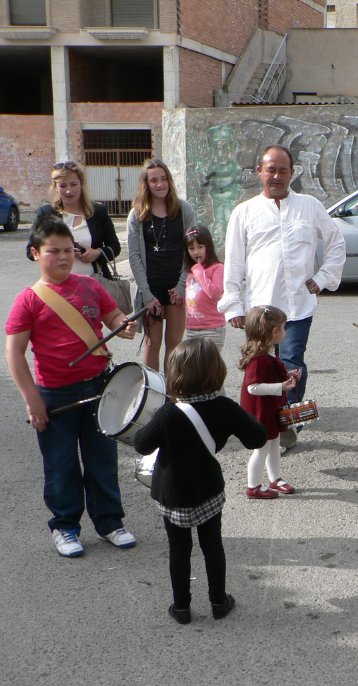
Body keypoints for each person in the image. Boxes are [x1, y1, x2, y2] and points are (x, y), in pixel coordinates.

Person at [5, 217, 138, 557]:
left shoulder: (90, 286)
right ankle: (65, 527)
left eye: (68, 250)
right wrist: (32, 400)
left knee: (102, 460)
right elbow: (15, 354)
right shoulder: (28, 300)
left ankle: (110, 523)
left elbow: (113, 319)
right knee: (61, 465)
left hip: (98, 387)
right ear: (36, 253)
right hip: (54, 395)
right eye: (54, 251)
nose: (63, 257)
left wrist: (124, 325)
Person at [133, 338, 267, 625]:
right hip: (207, 489)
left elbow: (141, 445)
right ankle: (219, 601)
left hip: (173, 493)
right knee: (212, 545)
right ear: (216, 371)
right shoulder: (225, 407)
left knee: (179, 550)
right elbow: (256, 437)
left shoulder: (168, 413)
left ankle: (181, 608)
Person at [219, 145, 347, 446]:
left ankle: (288, 425)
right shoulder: (244, 212)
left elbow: (336, 242)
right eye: (270, 169)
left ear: (292, 173)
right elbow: (234, 261)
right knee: (261, 369)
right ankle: (265, 425)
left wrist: (322, 278)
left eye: (283, 170)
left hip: (297, 307)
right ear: (259, 172)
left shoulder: (310, 206)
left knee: (291, 364)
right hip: (259, 309)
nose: (276, 176)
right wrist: (233, 304)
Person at [127, 159, 196, 372]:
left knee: (175, 345)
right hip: (151, 290)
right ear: (146, 184)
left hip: (176, 287)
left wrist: (182, 287)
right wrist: (147, 295)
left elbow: (191, 250)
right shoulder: (137, 214)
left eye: (164, 179)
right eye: (154, 180)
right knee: (152, 344)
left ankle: (172, 395)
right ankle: (153, 395)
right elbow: (134, 256)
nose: (160, 184)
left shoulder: (184, 209)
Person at [239, 305, 299, 500]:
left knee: (274, 443)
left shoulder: (265, 355)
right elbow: (252, 387)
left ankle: (275, 479)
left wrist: (287, 375)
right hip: (260, 413)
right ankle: (253, 485)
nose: (285, 331)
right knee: (262, 449)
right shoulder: (259, 359)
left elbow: (268, 377)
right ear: (274, 332)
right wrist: (281, 387)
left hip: (268, 410)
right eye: (283, 328)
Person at [27, 161, 121, 282]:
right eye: (62, 186)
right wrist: (59, 252)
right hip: (58, 288)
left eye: (73, 184)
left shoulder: (98, 212)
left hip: (96, 286)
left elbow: (115, 247)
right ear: (55, 187)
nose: (68, 191)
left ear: (81, 184)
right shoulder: (46, 214)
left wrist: (97, 253)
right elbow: (30, 251)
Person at [182, 225, 226, 349]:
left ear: (208, 247)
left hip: (212, 328)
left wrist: (200, 273)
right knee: (194, 367)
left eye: (200, 247)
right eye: (191, 248)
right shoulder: (191, 272)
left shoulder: (217, 268)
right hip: (192, 328)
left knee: (209, 366)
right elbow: (192, 300)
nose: (196, 252)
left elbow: (216, 294)